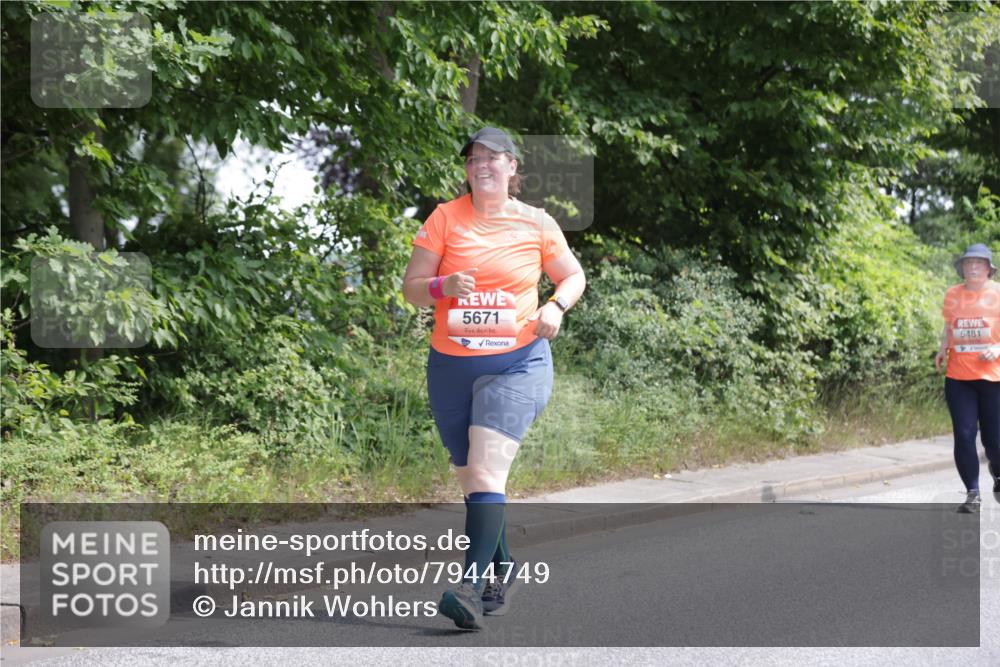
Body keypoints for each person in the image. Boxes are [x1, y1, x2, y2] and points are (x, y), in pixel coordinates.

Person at [402, 127, 586, 629]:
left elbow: (573, 274)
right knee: (473, 479)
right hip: (451, 367)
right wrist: (443, 284)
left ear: (511, 167)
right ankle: (503, 566)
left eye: (492, 157)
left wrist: (557, 305)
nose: (481, 165)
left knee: (486, 472)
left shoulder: (537, 223)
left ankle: (469, 584)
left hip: (518, 363)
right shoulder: (444, 218)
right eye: (473, 159)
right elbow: (412, 289)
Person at [935, 243, 1000, 513]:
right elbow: (950, 326)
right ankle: (973, 493)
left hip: (992, 378)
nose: (972, 267)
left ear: (988, 269)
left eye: (978, 263)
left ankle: (998, 474)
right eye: (968, 263)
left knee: (994, 440)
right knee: (963, 435)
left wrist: (998, 348)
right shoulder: (953, 294)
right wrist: (942, 348)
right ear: (962, 268)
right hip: (959, 376)